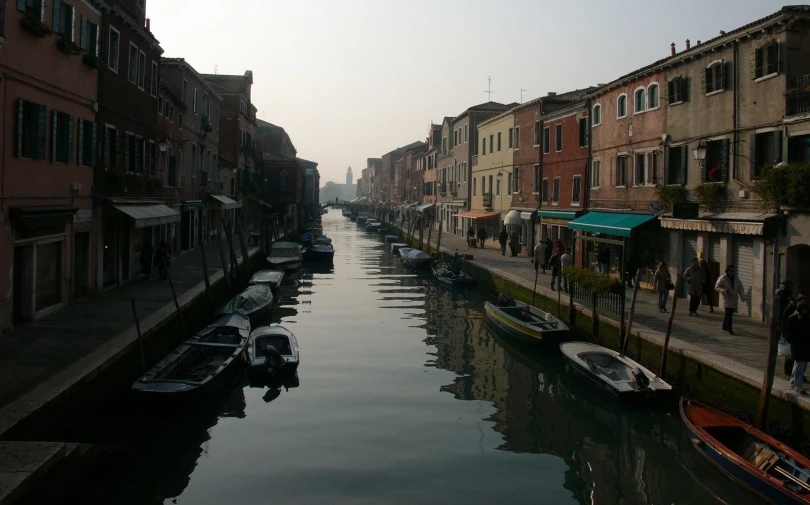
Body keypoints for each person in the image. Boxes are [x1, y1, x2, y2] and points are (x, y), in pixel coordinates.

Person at [785, 300, 810, 395]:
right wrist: (790, 340)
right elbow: (788, 332)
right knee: (800, 365)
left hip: (804, 345)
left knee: (797, 364)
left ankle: (792, 382)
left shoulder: (806, 319)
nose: (805, 311)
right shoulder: (793, 319)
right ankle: (798, 386)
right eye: (803, 309)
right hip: (797, 345)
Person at [715, 264, 747, 335]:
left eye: (734, 271)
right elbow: (717, 287)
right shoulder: (722, 278)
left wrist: (742, 296)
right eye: (732, 271)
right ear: (728, 271)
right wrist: (723, 290)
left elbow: (740, 288)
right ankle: (730, 328)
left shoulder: (736, 279)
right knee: (729, 314)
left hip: (734, 299)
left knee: (729, 313)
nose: (733, 272)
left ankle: (724, 326)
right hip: (727, 298)